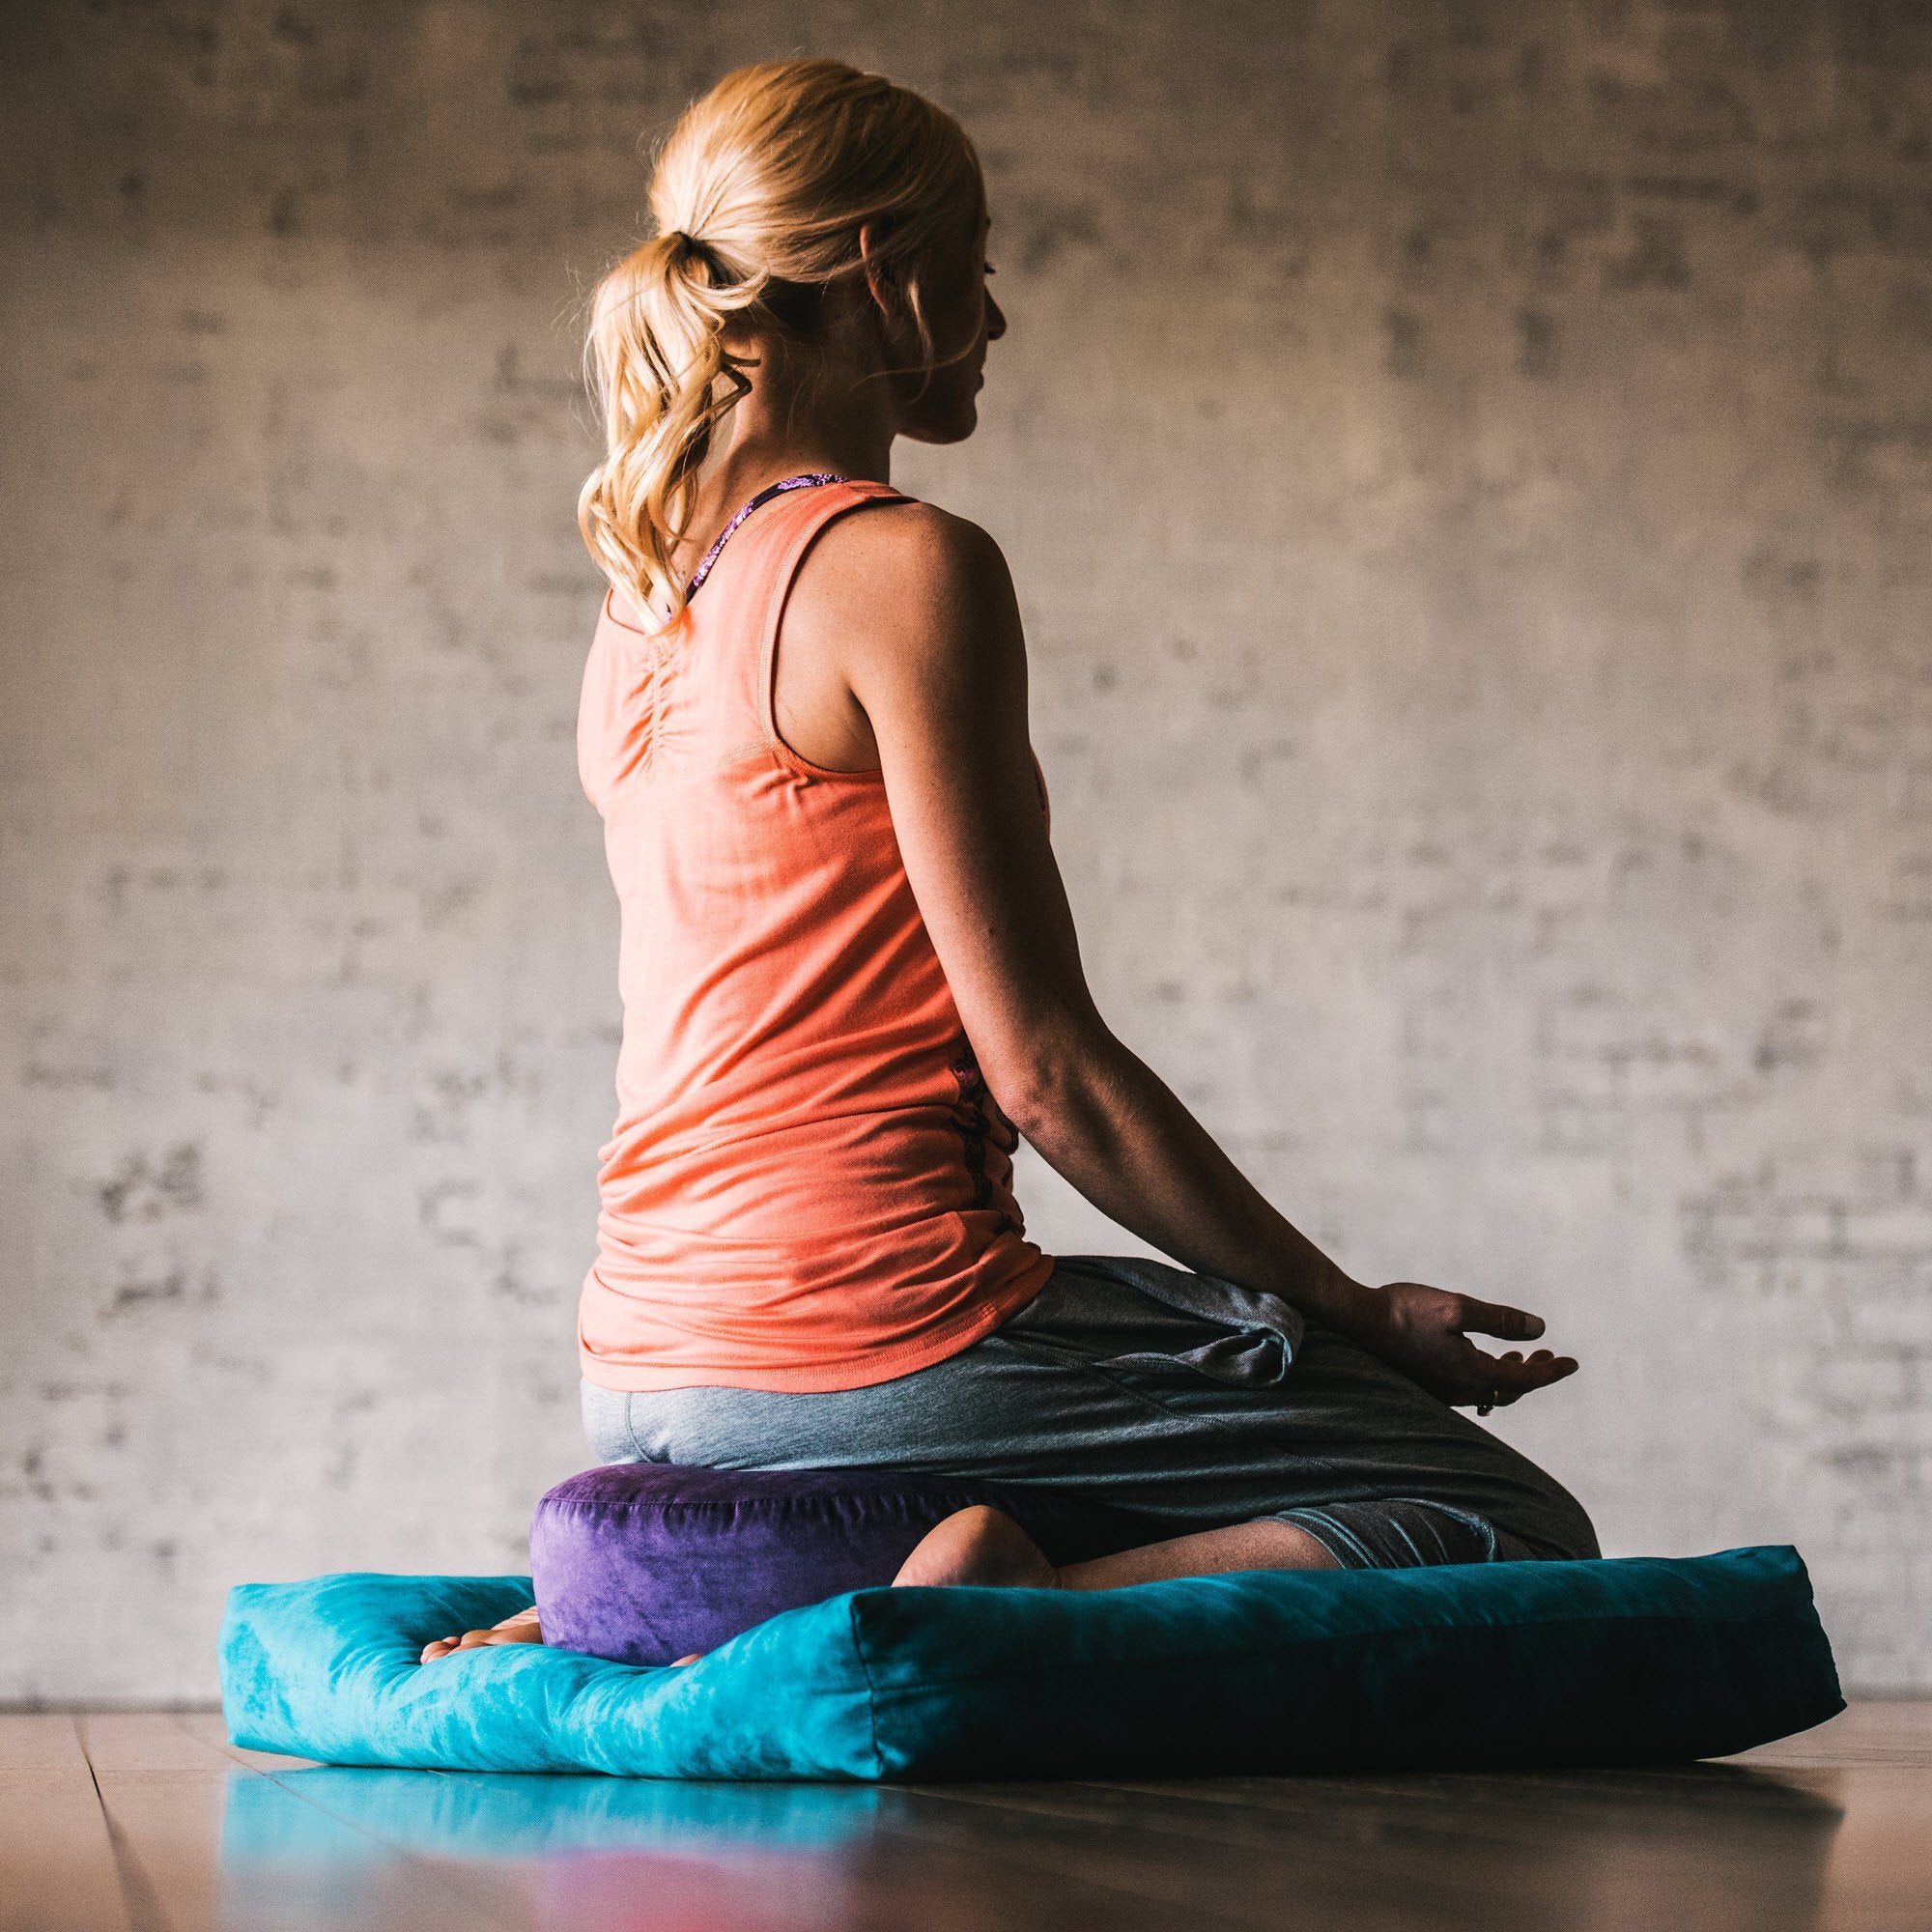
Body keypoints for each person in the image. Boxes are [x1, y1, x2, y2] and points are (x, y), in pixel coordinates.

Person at [422, 57, 1595, 1664]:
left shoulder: (640, 606)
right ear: (895, 282)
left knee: (1175, 1403)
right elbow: (1046, 1073)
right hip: (871, 1337)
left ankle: (726, 1614)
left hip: (645, 1354)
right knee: (1507, 1525)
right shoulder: (904, 567)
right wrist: (1354, 1313)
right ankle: (1022, 1608)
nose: (995, 311)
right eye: (979, 263)